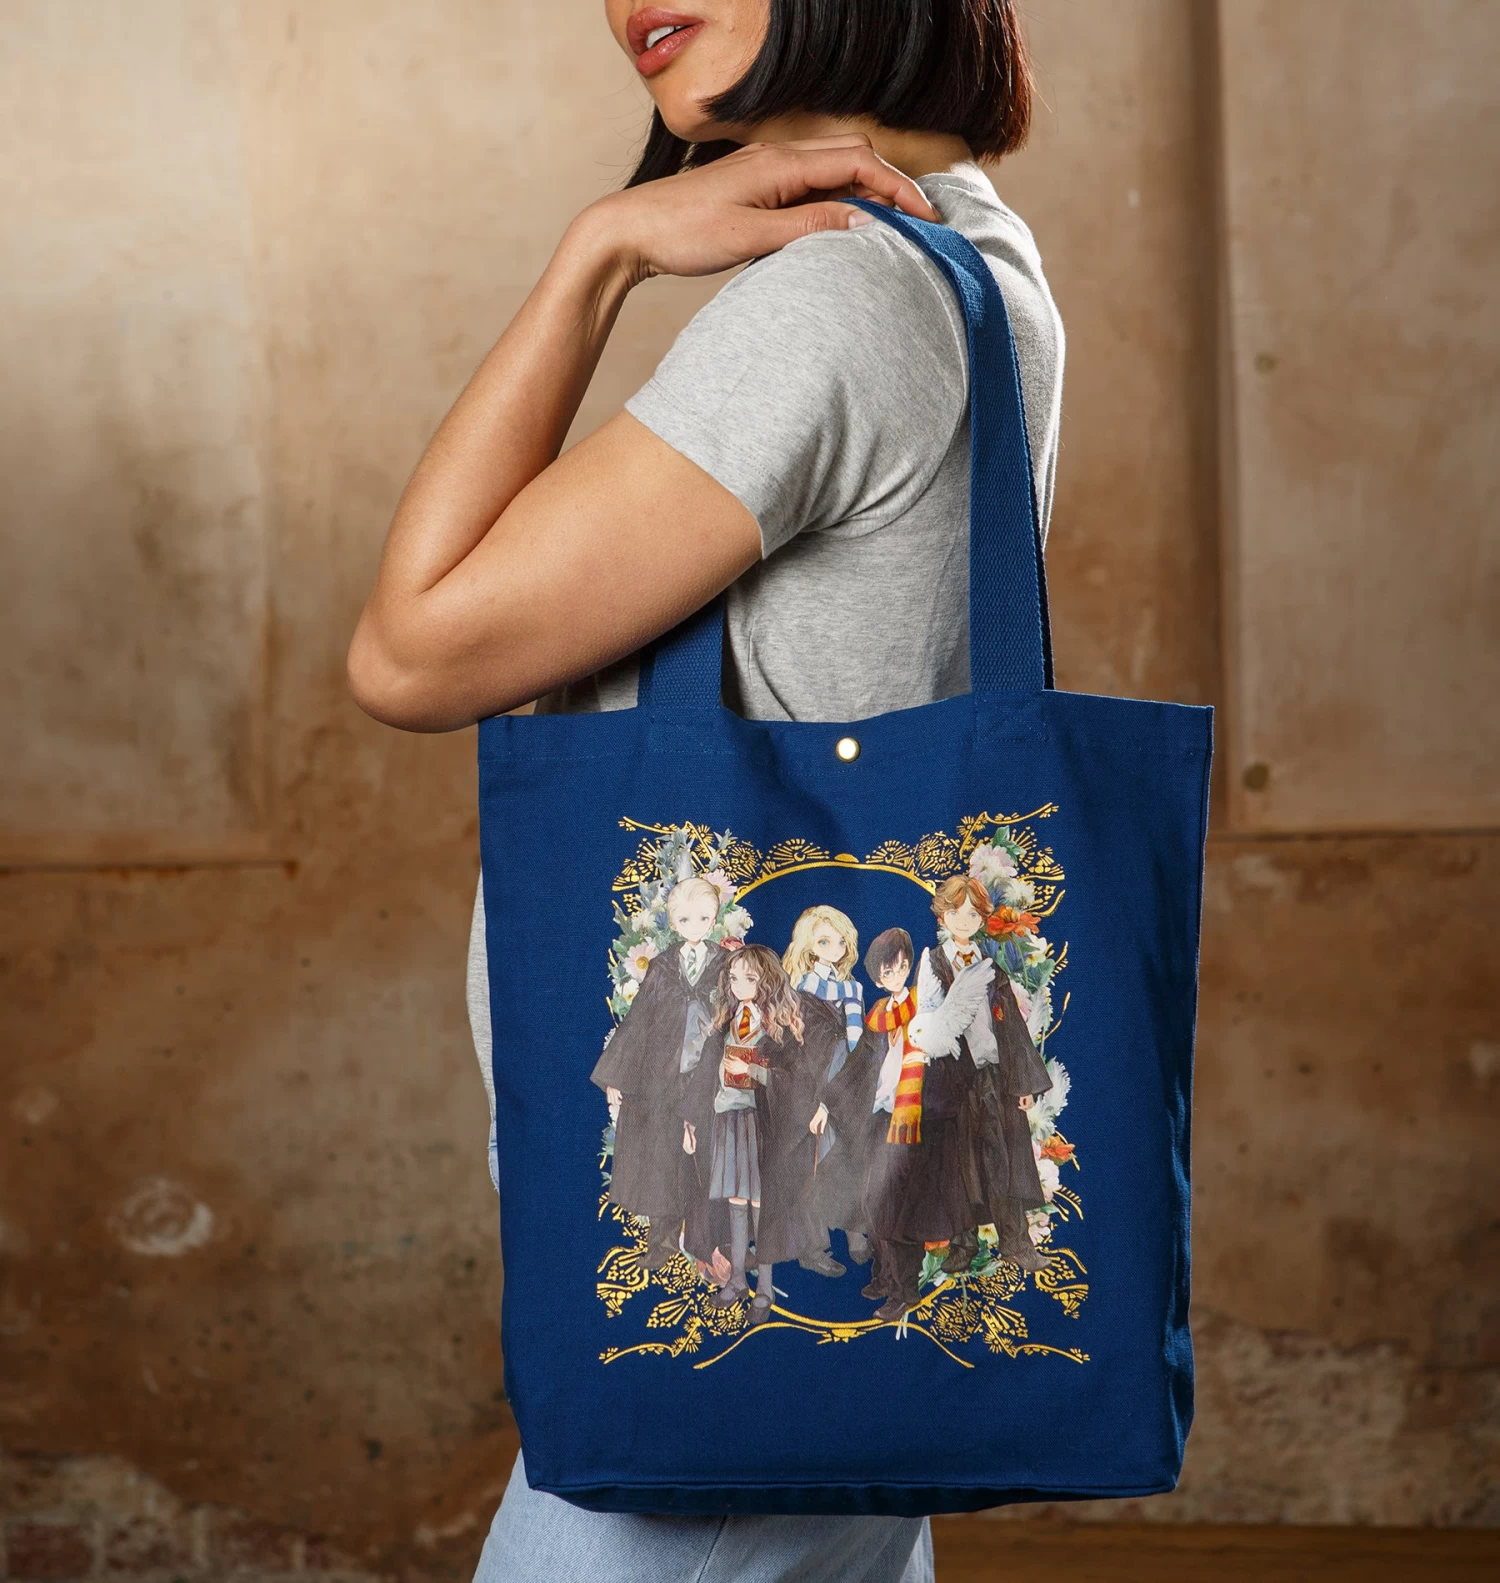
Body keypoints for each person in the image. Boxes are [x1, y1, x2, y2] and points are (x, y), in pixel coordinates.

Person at [349, 0, 1063, 1576]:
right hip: (858, 1192)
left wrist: (596, 254)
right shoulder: (979, 250)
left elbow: (407, 650)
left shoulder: (836, 295)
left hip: (729, 1224)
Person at [682, 944, 840, 1323]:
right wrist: (689, 1121)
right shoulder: (725, 1023)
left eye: (749, 978)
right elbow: (704, 1075)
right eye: (734, 978)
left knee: (759, 1205)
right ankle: (737, 1279)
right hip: (727, 1121)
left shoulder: (778, 1029)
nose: (739, 985)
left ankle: (765, 1288)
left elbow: (797, 1083)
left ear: (766, 982)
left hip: (763, 1124)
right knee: (736, 1202)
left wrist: (753, 1071)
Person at [590, 875, 726, 1267]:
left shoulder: (726, 964)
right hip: (664, 1076)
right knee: (663, 1158)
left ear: (714, 918)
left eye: (703, 918)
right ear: (673, 922)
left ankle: (712, 1243)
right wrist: (615, 1076)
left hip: (711, 1076)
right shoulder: (663, 966)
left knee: (710, 1157)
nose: (695, 927)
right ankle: (662, 1242)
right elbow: (638, 1021)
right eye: (684, 920)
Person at [924, 875, 1053, 1276]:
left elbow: (1011, 1027)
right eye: (956, 912)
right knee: (958, 1165)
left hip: (993, 1077)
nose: (964, 921)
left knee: (1002, 1161)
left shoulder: (991, 968)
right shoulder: (933, 964)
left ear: (982, 919)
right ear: (943, 916)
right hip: (953, 1081)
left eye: (973, 914)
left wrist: (1023, 1083)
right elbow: (926, 1021)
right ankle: (963, 1245)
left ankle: (1016, 1243)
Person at [782, 903, 865, 1274]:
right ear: (810, 947)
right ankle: (813, 1247)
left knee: (849, 1156)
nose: (835, 948)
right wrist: (817, 1098)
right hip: (812, 1084)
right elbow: (798, 1046)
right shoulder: (800, 988)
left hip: (846, 1079)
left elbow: (857, 1041)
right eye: (824, 942)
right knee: (813, 1163)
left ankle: (856, 1233)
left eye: (841, 941)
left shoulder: (851, 988)